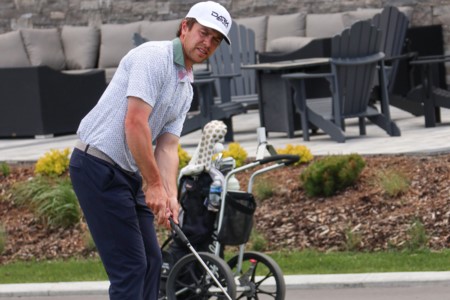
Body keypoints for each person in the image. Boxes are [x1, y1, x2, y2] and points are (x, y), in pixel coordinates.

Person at [68, 1, 232, 299]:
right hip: (96, 165)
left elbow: (167, 146)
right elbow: (135, 123)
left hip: (127, 172)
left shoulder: (185, 86)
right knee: (131, 267)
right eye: (203, 33)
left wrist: (169, 194)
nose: (207, 43)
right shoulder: (153, 58)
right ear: (185, 27)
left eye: (216, 39)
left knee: (153, 261)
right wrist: (154, 184)